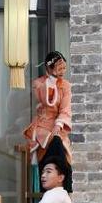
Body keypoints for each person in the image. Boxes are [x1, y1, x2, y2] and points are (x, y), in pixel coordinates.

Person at [23, 50, 73, 192]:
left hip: (58, 128)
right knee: (52, 143)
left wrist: (59, 125)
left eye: (64, 68)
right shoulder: (38, 84)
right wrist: (51, 82)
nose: (62, 71)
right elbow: (43, 103)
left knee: (59, 144)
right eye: (59, 68)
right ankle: (56, 186)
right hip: (42, 126)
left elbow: (65, 108)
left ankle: (64, 185)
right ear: (49, 68)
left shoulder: (66, 86)